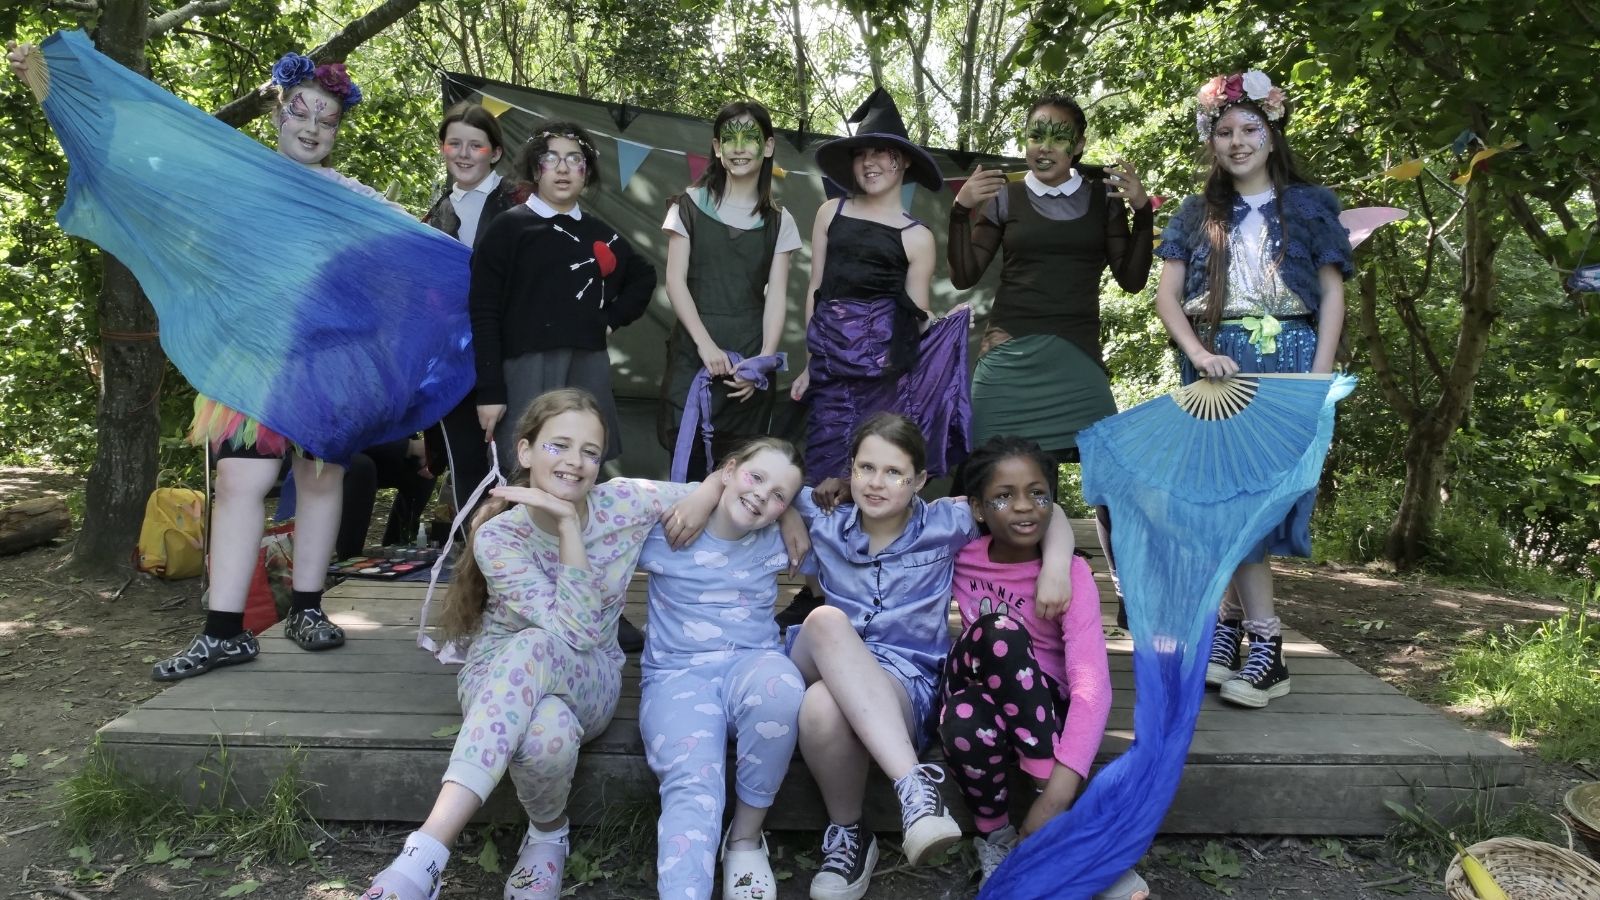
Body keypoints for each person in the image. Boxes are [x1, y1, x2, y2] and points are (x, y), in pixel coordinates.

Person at [92, 50, 398, 680]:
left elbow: (405, 267)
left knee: (319, 478)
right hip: (251, 359)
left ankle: (309, 608)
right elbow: (156, 182)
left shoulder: (355, 198)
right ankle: (224, 629)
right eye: (301, 112)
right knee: (238, 484)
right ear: (279, 113)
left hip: (327, 362)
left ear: (338, 130)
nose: (312, 127)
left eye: (328, 119)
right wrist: (66, 88)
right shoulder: (237, 178)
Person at [360, 388, 732, 900]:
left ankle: (424, 853)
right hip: (495, 676)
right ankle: (548, 836)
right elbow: (564, 626)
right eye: (559, 445)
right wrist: (563, 526)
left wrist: (711, 486)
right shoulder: (499, 537)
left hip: (591, 674)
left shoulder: (622, 501)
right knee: (545, 733)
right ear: (526, 452)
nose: (575, 463)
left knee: (537, 647)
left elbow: (742, 482)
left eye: (590, 452)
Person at [762, 414, 1073, 900]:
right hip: (815, 652)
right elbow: (755, 480)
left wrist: (1056, 567)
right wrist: (786, 512)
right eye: (865, 468)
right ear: (849, 471)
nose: (876, 483)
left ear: (920, 481)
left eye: (893, 473)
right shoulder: (827, 517)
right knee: (825, 621)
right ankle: (914, 789)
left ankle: (849, 836)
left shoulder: (946, 522)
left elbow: (1043, 512)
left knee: (822, 706)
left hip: (903, 685)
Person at [1153, 70, 1352, 709]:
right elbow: (1167, 298)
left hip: (1291, 358)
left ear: (1271, 132)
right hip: (1218, 365)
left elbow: (1330, 293)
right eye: (1224, 131)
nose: (1237, 141)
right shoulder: (1194, 213)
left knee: (1255, 505)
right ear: (1210, 141)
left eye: (1249, 129)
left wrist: (1317, 382)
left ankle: (1264, 645)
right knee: (1222, 502)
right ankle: (1236, 629)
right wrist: (1199, 353)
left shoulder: (1311, 205)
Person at [947, 93, 1153, 627]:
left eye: (1058, 134)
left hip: (1078, 358)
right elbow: (966, 274)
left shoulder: (1102, 199)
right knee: (988, 478)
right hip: (1007, 359)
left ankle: (1132, 597)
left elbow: (1131, 281)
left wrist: (1140, 212)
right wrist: (960, 209)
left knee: (1113, 480)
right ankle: (987, 597)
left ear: (1079, 144)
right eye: (1035, 133)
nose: (1044, 145)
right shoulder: (1005, 198)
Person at [782, 88, 968, 630]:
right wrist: (810, 362)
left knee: (874, 475)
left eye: (884, 154)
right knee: (822, 475)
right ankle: (817, 590)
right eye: (863, 154)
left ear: (903, 161)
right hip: (831, 369)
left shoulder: (917, 236)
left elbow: (916, 317)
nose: (872, 163)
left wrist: (935, 356)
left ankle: (870, 588)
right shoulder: (828, 211)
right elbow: (815, 290)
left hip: (886, 374)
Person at [940, 437, 1147, 899]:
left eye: (1038, 493)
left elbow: (1092, 689)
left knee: (965, 719)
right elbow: (912, 510)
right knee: (998, 632)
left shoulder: (1071, 575)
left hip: (1038, 706)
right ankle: (1016, 835)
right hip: (972, 673)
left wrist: (1061, 788)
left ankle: (1041, 826)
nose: (1024, 507)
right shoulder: (958, 555)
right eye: (1003, 496)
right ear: (976, 508)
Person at [637, 437, 807, 900]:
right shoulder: (670, 521)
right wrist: (706, 488)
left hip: (751, 663)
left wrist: (789, 510)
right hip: (676, 677)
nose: (763, 496)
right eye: (755, 477)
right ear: (730, 470)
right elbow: (608, 504)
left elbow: (850, 500)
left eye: (780, 496)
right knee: (693, 779)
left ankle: (745, 840)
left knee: (782, 689)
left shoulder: (780, 530)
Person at [469, 123, 656, 473]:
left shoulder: (599, 232)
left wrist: (609, 321)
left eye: (575, 159)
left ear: (587, 171)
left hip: (586, 368)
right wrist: (490, 391)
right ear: (535, 168)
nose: (563, 167)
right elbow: (483, 311)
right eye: (551, 158)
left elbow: (644, 276)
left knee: (580, 469)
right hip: (524, 371)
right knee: (524, 473)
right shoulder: (507, 229)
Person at [658, 101, 801, 481]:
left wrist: (763, 364)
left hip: (748, 372)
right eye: (729, 139)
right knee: (686, 478)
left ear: (767, 146)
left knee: (740, 479)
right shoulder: (686, 205)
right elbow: (675, 282)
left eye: (749, 137)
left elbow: (776, 297)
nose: (739, 147)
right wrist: (706, 346)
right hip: (693, 359)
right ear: (717, 149)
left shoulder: (780, 221)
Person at [422, 101, 527, 516]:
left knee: (520, 461)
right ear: (443, 150)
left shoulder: (523, 202)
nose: (464, 154)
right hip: (454, 361)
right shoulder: (434, 215)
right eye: (455, 144)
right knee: (466, 465)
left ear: (495, 152)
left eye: (476, 146)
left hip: (514, 353)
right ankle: (474, 571)